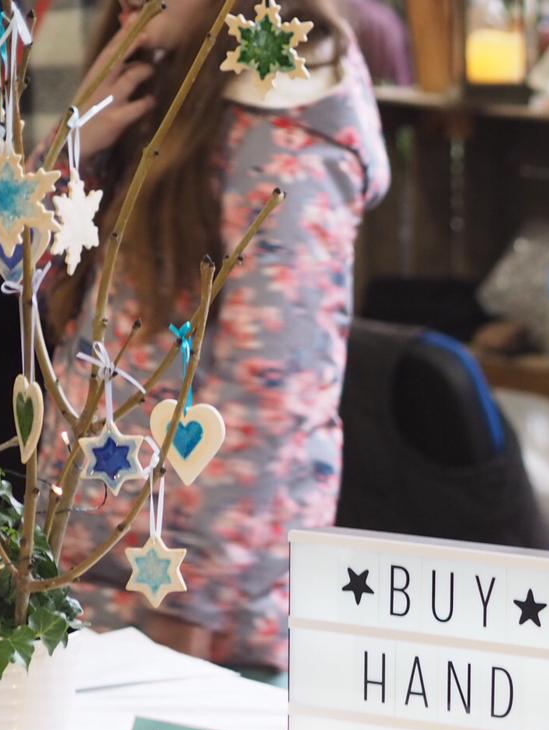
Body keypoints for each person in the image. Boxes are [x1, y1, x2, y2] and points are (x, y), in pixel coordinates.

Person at [45, 0, 390, 678]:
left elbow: (272, 391)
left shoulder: (285, 124)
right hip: (97, 596)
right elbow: (23, 277)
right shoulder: (166, 78)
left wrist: (191, 597)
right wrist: (69, 158)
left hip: (200, 633)